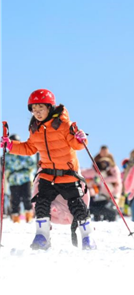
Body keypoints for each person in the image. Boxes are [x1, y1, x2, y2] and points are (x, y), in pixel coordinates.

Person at [0, 89, 96, 250]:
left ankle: (88, 238)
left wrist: (82, 138)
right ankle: (42, 237)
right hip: (47, 175)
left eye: (40, 109)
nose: (37, 113)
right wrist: (10, 145)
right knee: (41, 203)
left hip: (68, 175)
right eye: (34, 110)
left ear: (49, 107)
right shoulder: (35, 128)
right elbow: (30, 148)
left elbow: (77, 145)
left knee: (77, 206)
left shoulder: (64, 124)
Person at [4, 134, 37, 223]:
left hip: (25, 178)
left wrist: (22, 168)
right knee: (14, 199)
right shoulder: (7, 156)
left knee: (27, 197)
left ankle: (29, 216)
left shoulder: (25, 152)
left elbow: (32, 164)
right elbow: (5, 167)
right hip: (13, 180)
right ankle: (15, 217)